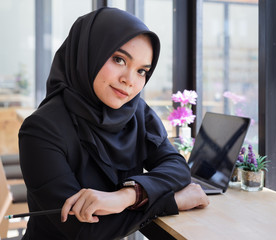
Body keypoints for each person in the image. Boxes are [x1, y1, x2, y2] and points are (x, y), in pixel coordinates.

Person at [18, 7, 209, 240]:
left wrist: (127, 196)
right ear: (89, 53)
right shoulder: (40, 130)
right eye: (119, 59)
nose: (129, 80)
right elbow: (85, 231)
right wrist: (173, 201)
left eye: (141, 71)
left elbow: (177, 167)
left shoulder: (136, 112)